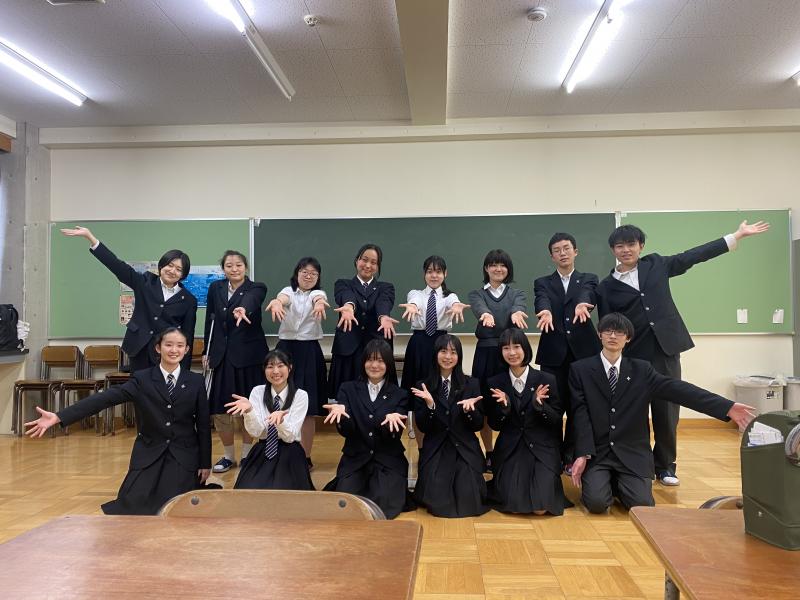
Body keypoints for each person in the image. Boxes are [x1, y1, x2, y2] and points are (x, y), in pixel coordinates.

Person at [595, 220, 769, 486]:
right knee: (633, 413)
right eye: (620, 246)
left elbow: (694, 255)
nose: (626, 250)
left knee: (667, 411)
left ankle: (665, 466)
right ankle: (636, 464)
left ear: (641, 246)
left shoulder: (656, 265)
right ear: (613, 250)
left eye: (631, 244)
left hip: (665, 349)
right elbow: (608, 323)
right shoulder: (606, 286)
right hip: (632, 355)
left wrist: (735, 236)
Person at [569, 313, 756, 514]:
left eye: (620, 332)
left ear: (628, 338)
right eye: (608, 331)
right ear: (600, 335)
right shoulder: (581, 370)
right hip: (599, 453)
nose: (613, 336)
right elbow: (580, 416)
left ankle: (617, 483)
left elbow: (680, 390)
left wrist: (726, 407)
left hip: (631, 453)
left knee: (642, 505)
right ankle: (606, 482)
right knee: (596, 503)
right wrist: (582, 454)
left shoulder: (642, 370)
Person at [25, 328, 211, 515]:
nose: (174, 350)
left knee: (176, 506)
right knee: (133, 505)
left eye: (180, 346)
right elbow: (105, 399)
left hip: (183, 455)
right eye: (168, 345)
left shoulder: (195, 381)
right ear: (158, 348)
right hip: (150, 452)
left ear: (186, 350)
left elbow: (203, 425)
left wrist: (205, 463)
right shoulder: (142, 379)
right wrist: (59, 416)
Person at [60, 225, 197, 372]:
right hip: (138, 348)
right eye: (170, 265)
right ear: (162, 266)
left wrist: (184, 371)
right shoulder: (145, 282)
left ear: (183, 275)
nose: (172, 271)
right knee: (138, 385)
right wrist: (90, 238)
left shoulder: (189, 300)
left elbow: (187, 336)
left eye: (178, 269)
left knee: (162, 387)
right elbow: (117, 266)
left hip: (166, 353)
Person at [533, 233, 601, 471]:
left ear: (575, 251)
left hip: (583, 354)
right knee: (552, 405)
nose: (562, 253)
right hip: (553, 354)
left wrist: (583, 304)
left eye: (566, 248)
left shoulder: (589, 278)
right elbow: (541, 299)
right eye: (557, 250)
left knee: (578, 406)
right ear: (551, 256)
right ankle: (552, 454)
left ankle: (572, 455)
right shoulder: (542, 282)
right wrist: (545, 311)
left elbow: (587, 294)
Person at [323, 339, 410, 519]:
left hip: (387, 460)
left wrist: (390, 423)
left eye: (380, 361)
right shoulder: (347, 389)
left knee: (383, 503)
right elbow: (347, 432)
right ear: (363, 362)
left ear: (388, 364)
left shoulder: (399, 394)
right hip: (356, 458)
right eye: (370, 360)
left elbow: (393, 437)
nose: (374, 365)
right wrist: (343, 416)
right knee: (347, 502)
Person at [486, 328, 566, 515]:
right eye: (506, 348)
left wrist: (540, 407)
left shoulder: (546, 379)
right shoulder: (495, 382)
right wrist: (504, 408)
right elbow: (494, 425)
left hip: (542, 449)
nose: (512, 353)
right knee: (513, 506)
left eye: (516, 347)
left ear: (525, 349)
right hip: (511, 449)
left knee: (541, 508)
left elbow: (556, 421)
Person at [204, 250, 268, 473]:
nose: (234, 269)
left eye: (239, 265)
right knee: (221, 409)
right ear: (223, 269)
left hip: (249, 358)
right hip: (221, 357)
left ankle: (247, 455)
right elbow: (210, 319)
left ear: (246, 267)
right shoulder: (215, 288)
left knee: (248, 407)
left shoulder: (256, 287)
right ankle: (228, 456)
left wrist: (243, 309)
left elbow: (252, 301)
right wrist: (207, 351)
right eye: (229, 265)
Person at [410, 334, 488, 518]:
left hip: (464, 448)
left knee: (468, 496)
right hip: (437, 448)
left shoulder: (471, 383)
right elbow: (423, 426)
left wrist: (469, 411)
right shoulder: (423, 385)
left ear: (459, 356)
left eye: (453, 352)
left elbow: (477, 425)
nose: (448, 357)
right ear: (435, 354)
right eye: (443, 351)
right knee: (436, 498)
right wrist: (430, 406)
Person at [266, 257, 330, 469]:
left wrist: (319, 304)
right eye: (305, 272)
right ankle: (279, 453)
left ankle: (305, 456)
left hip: (309, 351)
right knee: (280, 402)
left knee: (308, 408)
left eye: (313, 273)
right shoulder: (288, 291)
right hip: (285, 350)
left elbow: (319, 300)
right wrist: (277, 303)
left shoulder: (318, 294)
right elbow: (282, 299)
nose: (309, 276)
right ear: (297, 273)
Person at [399, 255, 468, 448]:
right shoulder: (416, 294)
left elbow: (453, 303)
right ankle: (422, 449)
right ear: (424, 274)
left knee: (441, 395)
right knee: (417, 398)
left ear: (445, 274)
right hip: (419, 346)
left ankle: (441, 445)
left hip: (442, 345)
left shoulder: (449, 296)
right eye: (430, 271)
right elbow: (414, 301)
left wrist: (456, 307)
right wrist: (413, 306)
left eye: (438, 271)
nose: (434, 275)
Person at [468, 249, 528, 472]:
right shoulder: (476, 294)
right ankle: (489, 452)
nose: (498, 269)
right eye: (493, 265)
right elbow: (479, 308)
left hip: (509, 355)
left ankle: (510, 449)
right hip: (484, 354)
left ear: (508, 269)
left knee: (511, 402)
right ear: (486, 268)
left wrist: (516, 313)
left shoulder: (517, 293)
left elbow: (518, 307)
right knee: (484, 403)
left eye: (502, 265)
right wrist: (485, 314)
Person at [225, 349, 313, 490]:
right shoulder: (257, 392)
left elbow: (290, 436)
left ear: (290, 368)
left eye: (280, 365)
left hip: (290, 451)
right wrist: (249, 411)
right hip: (263, 449)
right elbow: (256, 432)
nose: (275, 371)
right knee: (249, 490)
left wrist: (281, 422)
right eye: (270, 366)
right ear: (264, 370)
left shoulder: (300, 395)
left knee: (284, 491)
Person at [327, 244, 398, 399]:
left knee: (378, 398)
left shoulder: (386, 287)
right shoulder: (343, 284)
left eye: (373, 262)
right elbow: (347, 296)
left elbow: (383, 302)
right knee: (346, 399)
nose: (368, 265)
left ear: (378, 266)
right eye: (364, 260)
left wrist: (383, 317)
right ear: (356, 260)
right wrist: (349, 306)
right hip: (348, 350)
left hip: (376, 350)